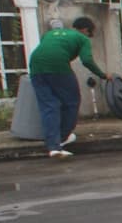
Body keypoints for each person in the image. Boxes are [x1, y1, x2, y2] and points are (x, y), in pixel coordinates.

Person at [28, 17, 112, 158]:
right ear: (86, 30)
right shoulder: (82, 38)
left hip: (36, 68)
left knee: (49, 106)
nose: (88, 36)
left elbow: (45, 50)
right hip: (59, 68)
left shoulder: (50, 34)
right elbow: (86, 60)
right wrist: (103, 75)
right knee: (71, 103)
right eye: (89, 33)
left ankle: (54, 147)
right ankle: (63, 137)